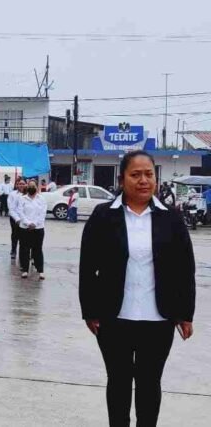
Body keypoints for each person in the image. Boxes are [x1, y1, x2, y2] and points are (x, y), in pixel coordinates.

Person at [80, 150, 195, 427]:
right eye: (135, 175)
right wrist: (90, 310)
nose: (143, 181)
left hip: (159, 318)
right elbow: (87, 266)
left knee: (149, 382)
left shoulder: (171, 218)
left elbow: (184, 268)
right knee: (118, 381)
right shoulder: (104, 215)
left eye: (149, 174)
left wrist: (185, 313)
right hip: (113, 317)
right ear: (122, 179)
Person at [18, 181, 47, 279]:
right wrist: (28, 223)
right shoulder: (22, 199)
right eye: (29, 186)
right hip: (25, 228)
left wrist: (35, 223)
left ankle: (40, 271)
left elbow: (42, 213)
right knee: (24, 249)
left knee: (37, 249)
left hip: (38, 228)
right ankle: (25, 270)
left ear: (36, 187)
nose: (31, 187)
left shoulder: (41, 199)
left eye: (33, 186)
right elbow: (20, 212)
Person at [7, 179, 27, 260]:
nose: (21, 185)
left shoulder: (28, 194)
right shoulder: (12, 194)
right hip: (14, 218)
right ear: (16, 185)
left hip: (25, 219)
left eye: (23, 184)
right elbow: (11, 209)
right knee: (15, 235)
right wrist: (17, 219)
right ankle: (13, 251)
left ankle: (24, 253)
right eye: (19, 184)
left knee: (25, 237)